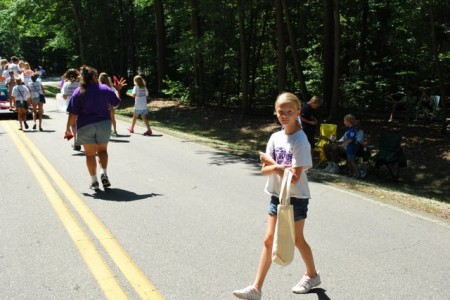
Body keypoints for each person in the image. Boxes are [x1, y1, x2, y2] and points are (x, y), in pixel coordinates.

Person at [233, 92, 320, 299]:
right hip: (275, 195)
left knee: (297, 240)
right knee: (268, 240)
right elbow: (263, 170)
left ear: (298, 112)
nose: (284, 115)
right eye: (281, 111)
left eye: (290, 111)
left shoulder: (301, 140)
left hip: (296, 198)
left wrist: (272, 164)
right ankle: (256, 288)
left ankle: (312, 275)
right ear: (276, 111)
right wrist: (278, 167)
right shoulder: (275, 137)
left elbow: (294, 179)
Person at [65, 65, 126, 190]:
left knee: (90, 155)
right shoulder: (104, 88)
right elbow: (116, 103)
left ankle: (94, 181)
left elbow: (73, 113)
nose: (97, 77)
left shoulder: (78, 92)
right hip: (104, 124)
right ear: (93, 76)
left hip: (85, 125)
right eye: (96, 75)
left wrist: (67, 128)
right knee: (102, 151)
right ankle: (103, 172)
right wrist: (117, 89)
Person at [61, 68, 81, 150]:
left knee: (73, 125)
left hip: (71, 107)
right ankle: (80, 140)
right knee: (80, 124)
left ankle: (76, 142)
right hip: (80, 106)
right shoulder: (80, 84)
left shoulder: (66, 84)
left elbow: (64, 97)